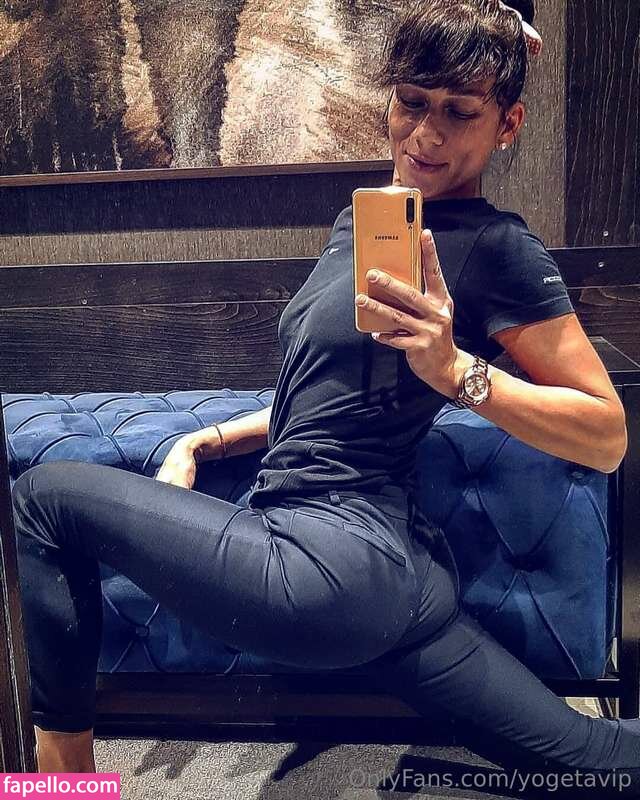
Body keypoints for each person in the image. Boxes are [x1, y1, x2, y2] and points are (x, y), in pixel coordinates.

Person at [11, 0, 640, 793]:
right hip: (394, 583)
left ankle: (61, 787)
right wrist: (208, 439)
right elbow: (326, 394)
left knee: (43, 500)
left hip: (330, 566)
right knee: (595, 759)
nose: (426, 133)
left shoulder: (499, 248)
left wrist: (456, 371)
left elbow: (606, 436)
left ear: (507, 126)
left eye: (460, 113)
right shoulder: (361, 227)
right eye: (412, 101)